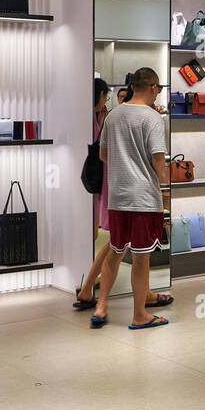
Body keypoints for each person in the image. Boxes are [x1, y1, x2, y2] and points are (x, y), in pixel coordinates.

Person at [74, 78, 173, 312]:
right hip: (139, 194)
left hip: (116, 190)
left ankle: (97, 298)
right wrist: (164, 183)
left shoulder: (112, 117)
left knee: (116, 246)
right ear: (152, 87)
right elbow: (159, 160)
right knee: (139, 255)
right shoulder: (151, 118)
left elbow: (103, 155)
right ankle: (138, 310)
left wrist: (124, 164)